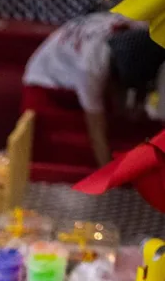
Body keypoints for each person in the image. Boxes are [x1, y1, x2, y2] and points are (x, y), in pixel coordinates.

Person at [22, 14, 165, 168]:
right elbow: (97, 134)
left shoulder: (141, 29)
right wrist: (109, 180)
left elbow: (143, 73)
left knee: (128, 130)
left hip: (81, 66)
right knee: (78, 151)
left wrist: (136, 109)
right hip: (46, 84)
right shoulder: (91, 65)